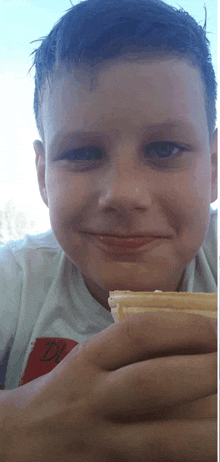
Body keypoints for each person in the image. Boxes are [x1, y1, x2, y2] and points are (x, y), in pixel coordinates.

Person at [0, 0, 217, 460]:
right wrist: (18, 428)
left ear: (214, 168)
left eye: (165, 148)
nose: (123, 193)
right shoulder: (14, 284)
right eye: (81, 153)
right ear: (43, 176)